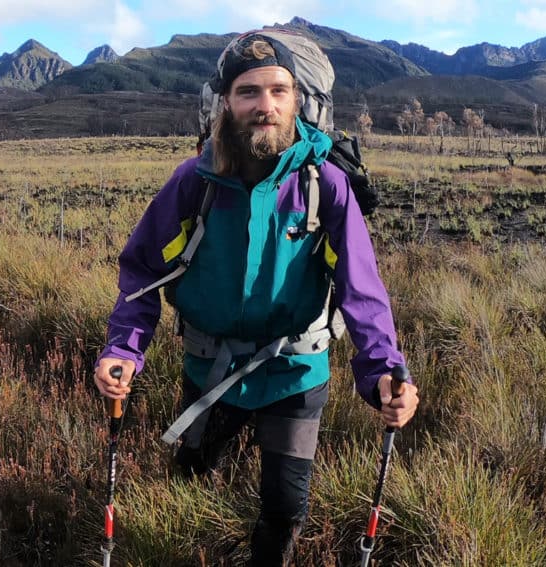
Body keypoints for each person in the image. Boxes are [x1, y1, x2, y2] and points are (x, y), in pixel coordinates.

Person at [94, 31, 419, 566]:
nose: (264, 107)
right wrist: (123, 351)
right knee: (192, 474)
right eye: (248, 92)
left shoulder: (326, 186)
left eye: (277, 91)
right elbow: (142, 273)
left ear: (298, 101)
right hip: (209, 369)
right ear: (226, 102)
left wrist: (384, 370)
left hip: (295, 375)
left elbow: (363, 291)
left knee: (285, 508)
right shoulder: (193, 183)